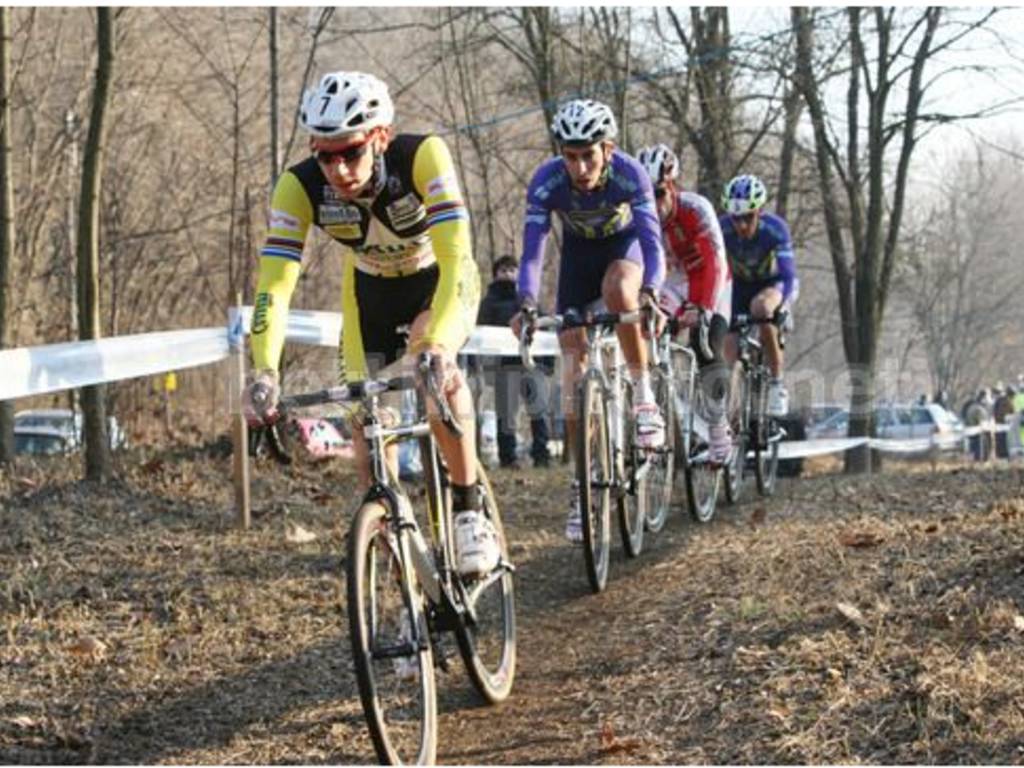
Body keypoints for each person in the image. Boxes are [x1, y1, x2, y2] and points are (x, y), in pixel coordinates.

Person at [242, 71, 498, 577]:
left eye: (351, 152)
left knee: (435, 375)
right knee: (366, 433)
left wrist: (439, 344)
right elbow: (274, 286)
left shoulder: (422, 157)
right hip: (369, 293)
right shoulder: (299, 187)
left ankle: (469, 508)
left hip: (437, 280)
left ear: (380, 137)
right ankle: (404, 582)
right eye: (325, 155)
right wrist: (264, 371)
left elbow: (455, 255)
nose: (337, 168)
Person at [510, 98, 666, 543]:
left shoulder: (630, 175)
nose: (579, 167)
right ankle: (582, 484)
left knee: (620, 290)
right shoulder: (547, 181)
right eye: (570, 155)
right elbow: (534, 252)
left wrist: (651, 291)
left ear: (608, 150)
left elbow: (653, 245)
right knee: (574, 376)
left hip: (625, 250)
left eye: (588, 155)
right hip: (578, 261)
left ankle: (643, 395)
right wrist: (525, 302)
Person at [635, 143, 733, 464]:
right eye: (647, 196)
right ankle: (656, 405)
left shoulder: (695, 209)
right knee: (648, 329)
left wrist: (701, 307)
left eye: (660, 194)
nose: (655, 204)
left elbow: (714, 262)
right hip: (672, 281)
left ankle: (719, 428)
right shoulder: (636, 215)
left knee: (705, 342)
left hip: (709, 279)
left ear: (672, 186)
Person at [719, 174, 797, 417]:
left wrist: (783, 304)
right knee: (729, 347)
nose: (741, 225)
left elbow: (789, 277)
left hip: (771, 284)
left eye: (748, 217)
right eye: (736, 219)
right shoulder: (721, 229)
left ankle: (776, 382)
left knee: (761, 309)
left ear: (759, 211)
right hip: (739, 287)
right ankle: (729, 413)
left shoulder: (775, 229)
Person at [477, 255, 552, 469]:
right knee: (506, 416)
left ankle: (542, 455)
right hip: (503, 367)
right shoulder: (488, 303)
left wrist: (547, 364)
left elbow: (545, 329)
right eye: (503, 269)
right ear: (495, 274)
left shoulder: (528, 301)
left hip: (531, 363)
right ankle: (508, 457)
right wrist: (486, 367)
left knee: (539, 411)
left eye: (512, 269)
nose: (508, 273)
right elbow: (480, 336)